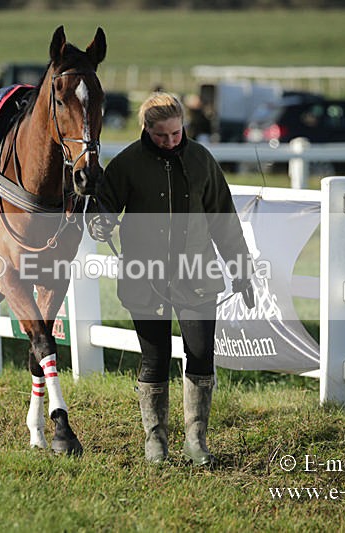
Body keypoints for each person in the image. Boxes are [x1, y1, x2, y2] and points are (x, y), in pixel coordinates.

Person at [86, 92, 255, 466]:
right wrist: (100, 222)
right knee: (154, 359)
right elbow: (104, 208)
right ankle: (155, 441)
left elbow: (223, 221)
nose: (170, 141)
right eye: (162, 135)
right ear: (146, 129)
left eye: (176, 134)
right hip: (145, 280)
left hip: (197, 277)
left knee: (199, 356)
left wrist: (241, 271)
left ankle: (196, 441)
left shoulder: (201, 160)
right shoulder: (127, 163)